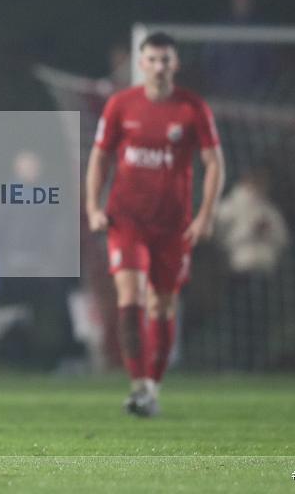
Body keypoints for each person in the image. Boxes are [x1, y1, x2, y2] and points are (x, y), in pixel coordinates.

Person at [85, 32, 225, 417]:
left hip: (172, 225)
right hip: (126, 219)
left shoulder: (192, 108)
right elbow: (99, 158)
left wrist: (206, 215)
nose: (160, 66)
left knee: (162, 305)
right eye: (153, 59)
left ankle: (153, 386)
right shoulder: (120, 105)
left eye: (166, 60)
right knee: (129, 297)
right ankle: (138, 386)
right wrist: (93, 207)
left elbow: (214, 163)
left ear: (175, 65)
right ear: (140, 64)